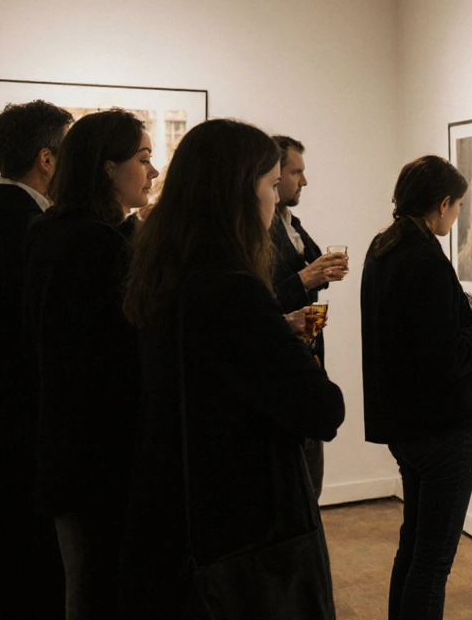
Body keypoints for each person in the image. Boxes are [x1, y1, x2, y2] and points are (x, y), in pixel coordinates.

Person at [119, 119, 345, 619]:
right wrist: (295, 350)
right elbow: (322, 409)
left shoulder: (162, 272)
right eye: (271, 184)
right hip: (242, 534)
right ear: (243, 191)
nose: (276, 198)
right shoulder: (231, 288)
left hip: (179, 515)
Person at [361, 155, 472, 620]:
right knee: (433, 560)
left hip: (404, 423)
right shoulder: (423, 257)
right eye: (459, 206)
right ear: (442, 203)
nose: (460, 215)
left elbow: (410, 339)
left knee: (414, 547)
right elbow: (439, 356)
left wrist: (465, 332)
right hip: (443, 426)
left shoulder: (383, 248)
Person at [22, 110, 158, 619]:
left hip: (66, 443)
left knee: (85, 582)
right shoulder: (99, 243)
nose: (153, 170)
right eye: (143, 158)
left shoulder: (49, 231)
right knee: (102, 586)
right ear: (107, 167)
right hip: (103, 451)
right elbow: (114, 360)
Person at [0, 100, 72, 619]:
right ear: (47, 160)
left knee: (5, 582)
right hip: (22, 440)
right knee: (24, 586)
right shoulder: (26, 230)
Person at [269, 134, 348, 499]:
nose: (304, 181)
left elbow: (310, 269)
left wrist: (320, 273)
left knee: (310, 481)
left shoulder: (290, 221)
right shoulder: (258, 230)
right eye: (295, 171)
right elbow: (258, 300)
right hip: (279, 365)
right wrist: (305, 278)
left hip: (307, 357)